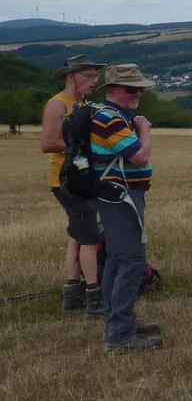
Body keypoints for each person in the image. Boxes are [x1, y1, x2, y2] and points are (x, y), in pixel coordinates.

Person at [92, 64, 164, 353]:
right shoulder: (111, 119)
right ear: (112, 90)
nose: (138, 94)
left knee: (116, 260)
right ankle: (120, 335)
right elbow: (140, 156)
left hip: (116, 196)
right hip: (121, 198)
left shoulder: (111, 116)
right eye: (132, 89)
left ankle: (117, 323)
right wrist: (144, 130)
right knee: (132, 261)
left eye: (140, 88)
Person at [41, 54, 105, 317]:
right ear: (71, 77)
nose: (94, 81)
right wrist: (82, 145)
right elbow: (47, 144)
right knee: (90, 238)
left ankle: (72, 294)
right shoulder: (58, 105)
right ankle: (95, 299)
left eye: (95, 76)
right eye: (88, 76)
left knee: (77, 235)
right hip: (67, 181)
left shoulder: (84, 103)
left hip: (81, 179)